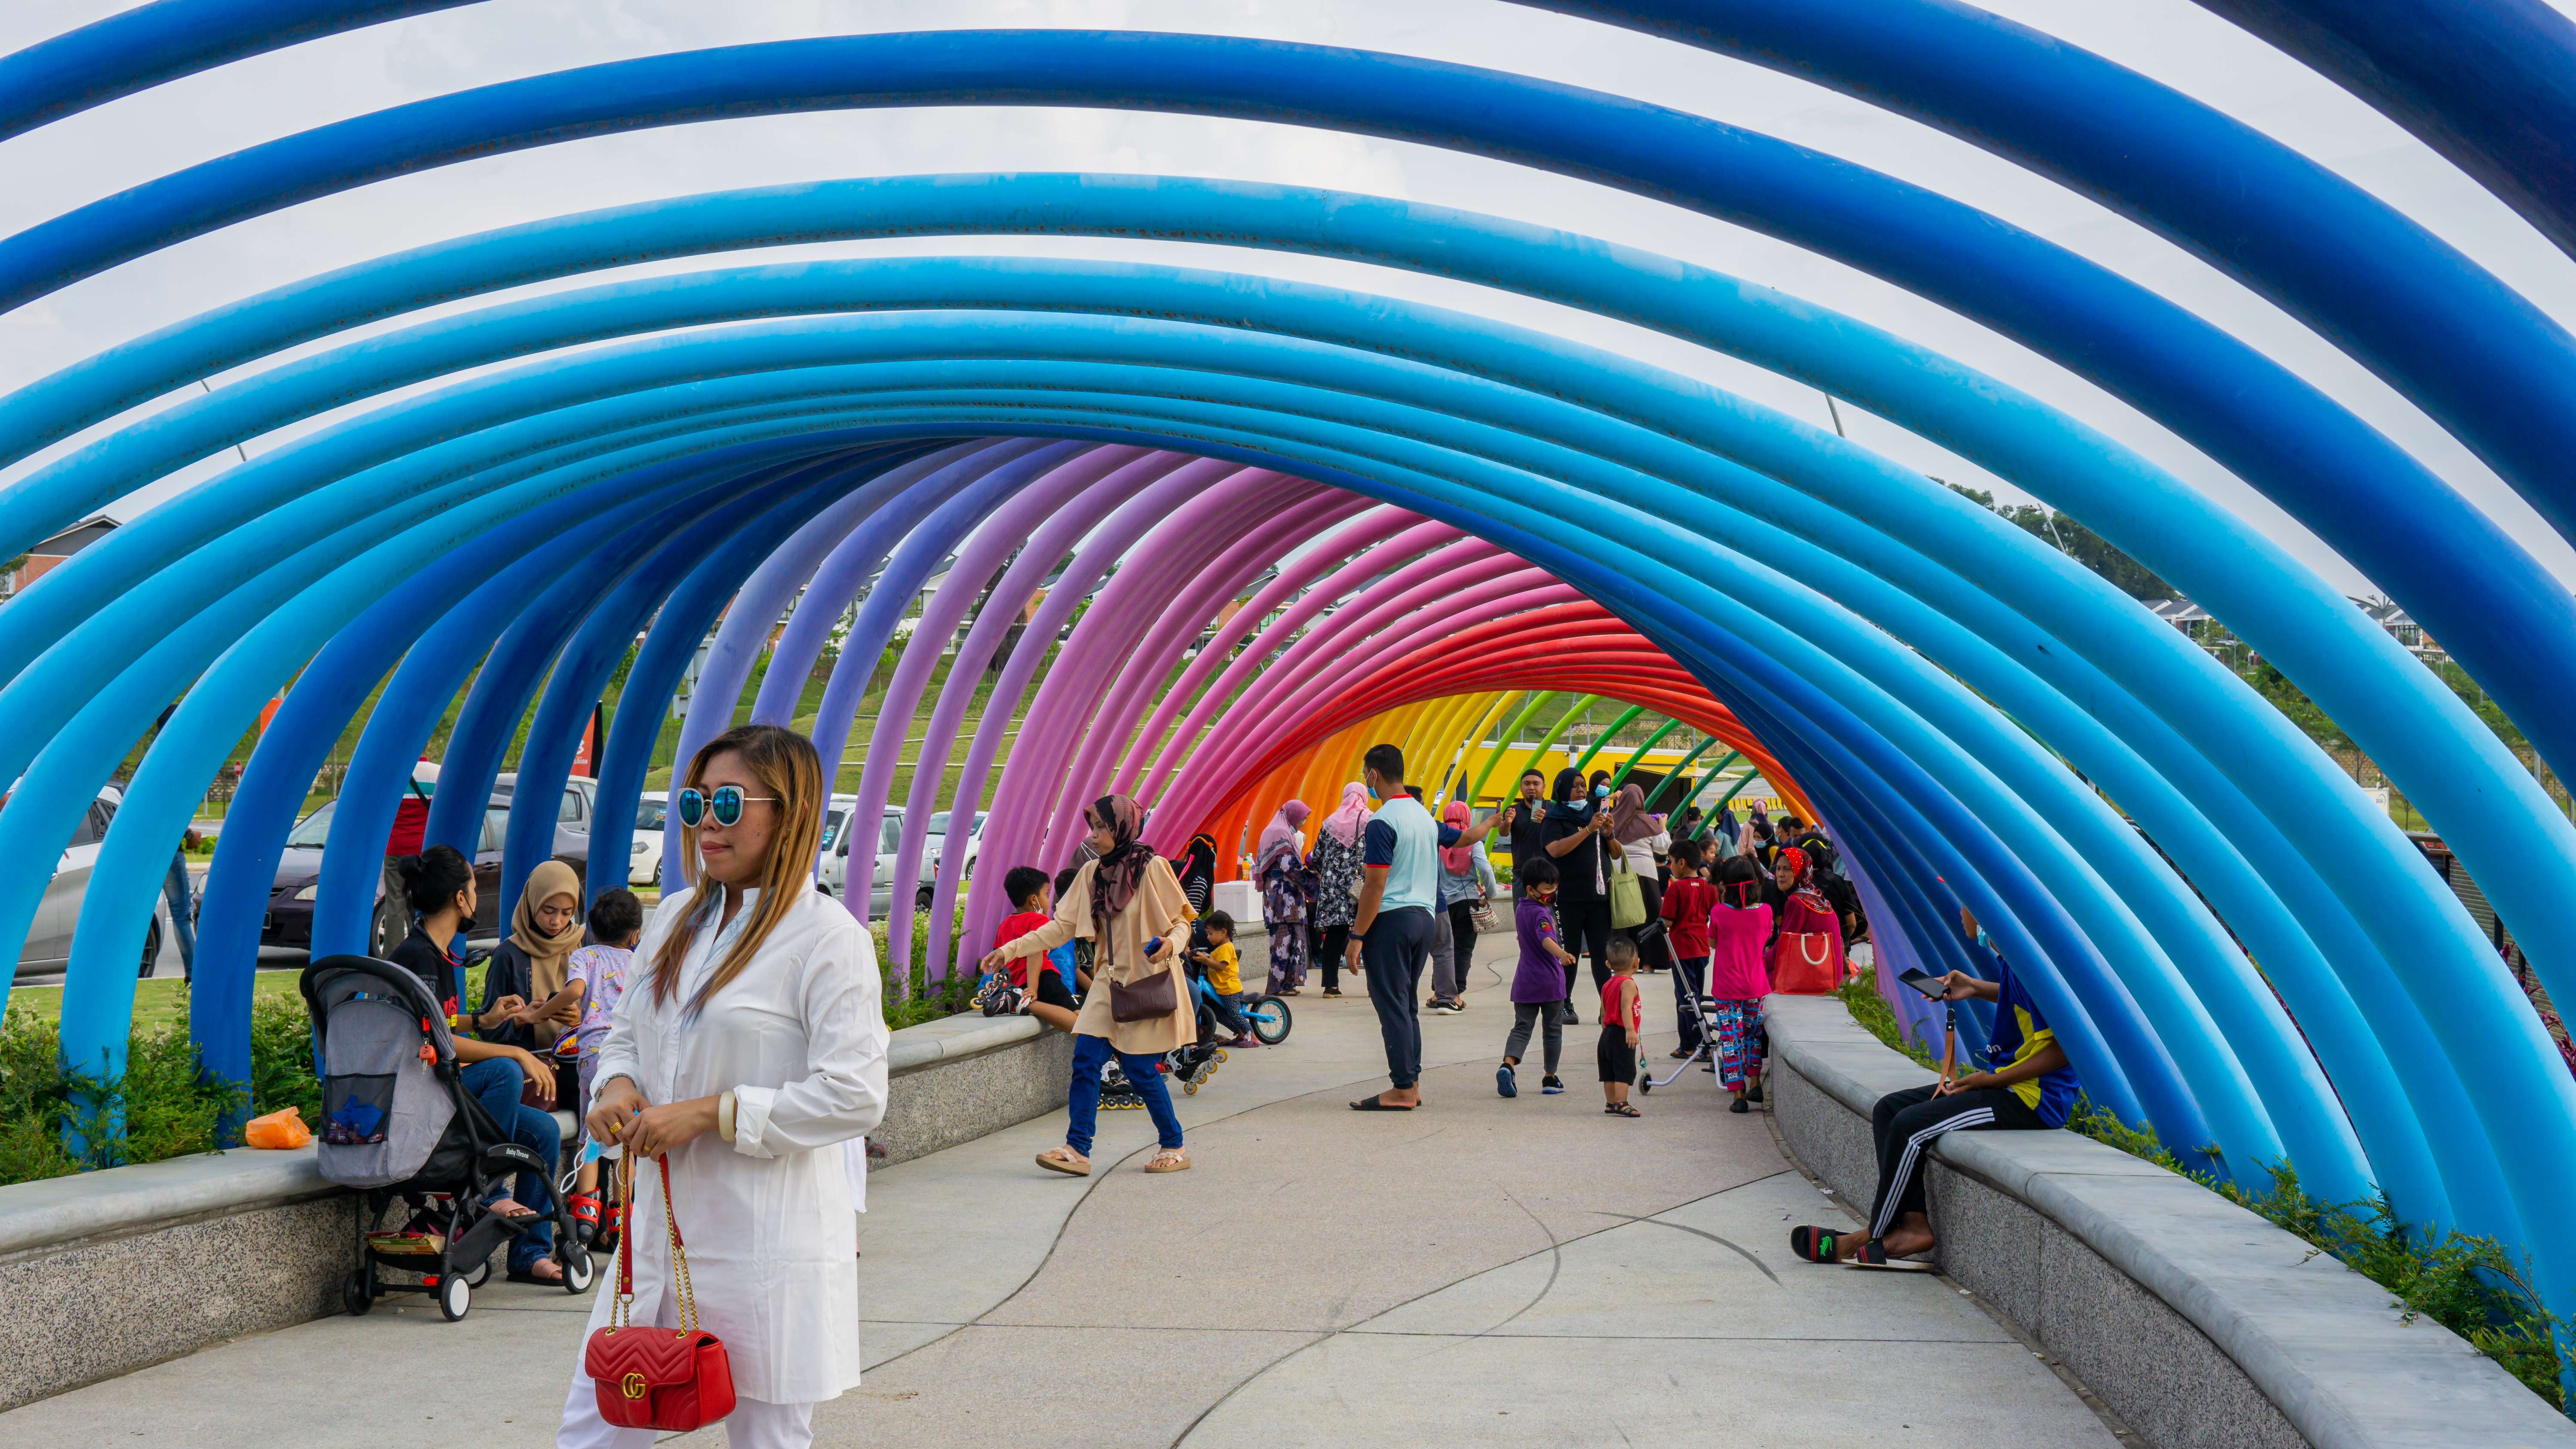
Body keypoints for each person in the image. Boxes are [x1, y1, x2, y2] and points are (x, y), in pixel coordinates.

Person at [568, 724, 890, 1448]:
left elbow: (857, 1093)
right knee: (596, 1427)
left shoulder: (826, 938)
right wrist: (615, 1088)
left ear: (791, 812)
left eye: (729, 802)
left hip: (763, 1244)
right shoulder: (679, 916)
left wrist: (714, 1114)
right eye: (694, 802)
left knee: (764, 1436)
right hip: (657, 1235)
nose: (706, 821)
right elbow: (626, 1033)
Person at [1792, 908, 2077, 1269]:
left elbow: (2063, 1050)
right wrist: (1975, 987)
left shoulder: (2027, 962)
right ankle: (1913, 1224)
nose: (1961, 912)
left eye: (1966, 903)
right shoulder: (2014, 957)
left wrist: (1992, 1080)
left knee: (1910, 1127)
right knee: (1889, 1109)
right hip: (2007, 1085)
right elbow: (2023, 999)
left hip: (2030, 1099)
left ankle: (1867, 1235)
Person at [983, 795, 1197, 1176]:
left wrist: (1172, 944)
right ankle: (1077, 1149)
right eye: (1093, 827)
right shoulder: (1092, 874)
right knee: (1085, 1060)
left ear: (1122, 828)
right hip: (1107, 984)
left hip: (1147, 983)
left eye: (1102, 827)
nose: (1094, 835)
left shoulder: (1154, 868)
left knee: (1139, 1069)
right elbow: (1060, 928)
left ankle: (1174, 1143)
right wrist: (1008, 949)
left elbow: (1182, 922)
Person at [385, 846, 566, 1285]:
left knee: (544, 1131)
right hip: (425, 1101)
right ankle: (489, 1190)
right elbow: (432, 1039)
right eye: (471, 885)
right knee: (504, 1070)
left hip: (444, 1093)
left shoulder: (437, 953)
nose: (475, 892)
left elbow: (439, 1020)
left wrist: (484, 1020)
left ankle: (529, 1253)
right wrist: (516, 1051)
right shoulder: (418, 957)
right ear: (459, 899)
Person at [1348, 746, 1445, 1111]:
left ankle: (1402, 1088)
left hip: (1392, 920)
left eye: (1365, 773)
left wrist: (1357, 936)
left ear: (1374, 774)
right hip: (1424, 918)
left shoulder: (1382, 820)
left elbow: (1375, 884)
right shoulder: (1424, 816)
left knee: (1391, 1006)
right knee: (1407, 1005)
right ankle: (1412, 1082)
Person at [561, 887, 643, 1243]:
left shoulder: (585, 956)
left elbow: (575, 992)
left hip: (594, 1054)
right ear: (635, 934)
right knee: (627, 1137)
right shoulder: (642, 962)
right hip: (631, 1058)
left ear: (592, 929)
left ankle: (585, 1219)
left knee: (590, 1133)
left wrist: (542, 1011)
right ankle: (620, 1218)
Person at [477, 858, 587, 1053]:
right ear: (532, 902)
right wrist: (521, 1020)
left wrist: (580, 1018)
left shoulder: (584, 944)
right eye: (549, 911)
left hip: (578, 1062)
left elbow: (610, 1010)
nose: (557, 921)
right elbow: (487, 1029)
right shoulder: (508, 954)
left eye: (566, 913)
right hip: (529, 1066)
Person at [1538, 767, 1618, 1022]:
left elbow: (1615, 853)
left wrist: (1609, 833)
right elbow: (1556, 850)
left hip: (1599, 898)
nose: (1581, 790)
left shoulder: (1596, 815)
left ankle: (1607, 1007)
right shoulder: (1555, 818)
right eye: (1574, 786)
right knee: (1569, 952)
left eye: (1583, 785)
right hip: (1568, 898)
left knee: (1601, 954)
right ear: (1562, 788)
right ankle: (1564, 1004)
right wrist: (1587, 830)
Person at [1496, 855, 1573, 1098]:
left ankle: (1508, 1065)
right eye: (1548, 888)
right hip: (1549, 981)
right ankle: (1550, 1077)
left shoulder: (1521, 909)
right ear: (1531, 889)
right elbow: (1546, 939)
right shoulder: (1542, 913)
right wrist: (1562, 954)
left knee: (1521, 1028)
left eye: (1555, 887)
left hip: (1525, 982)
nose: (1553, 892)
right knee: (1552, 1031)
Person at [1707, 855, 1774, 1113]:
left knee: (1731, 1039)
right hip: (1756, 985)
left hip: (1726, 988)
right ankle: (1755, 1081)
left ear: (1726, 885)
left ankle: (1738, 1095)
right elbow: (1766, 939)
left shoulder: (1719, 913)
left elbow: (1713, 943)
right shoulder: (1766, 911)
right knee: (1753, 1036)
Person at [995, 865, 1081, 1032]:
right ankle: (1019, 1001)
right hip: (1042, 978)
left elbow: (1001, 962)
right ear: (1034, 900)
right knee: (1081, 1023)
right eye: (1046, 894)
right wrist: (1033, 989)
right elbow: (1035, 950)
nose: (1049, 900)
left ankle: (1017, 998)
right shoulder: (1038, 920)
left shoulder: (1005, 925)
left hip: (1018, 983)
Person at [1435, 797, 1498, 1008]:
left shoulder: (1438, 841)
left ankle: (1438, 994)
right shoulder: (1473, 842)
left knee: (1443, 950)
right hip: (1468, 902)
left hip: (1441, 904)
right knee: (1463, 950)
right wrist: (1490, 893)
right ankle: (1455, 996)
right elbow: (1486, 870)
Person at [1309, 782, 1369, 997]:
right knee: (1368, 933)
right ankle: (1374, 987)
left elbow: (1316, 856)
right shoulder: (1371, 820)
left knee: (1334, 937)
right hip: (1362, 886)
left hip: (1334, 890)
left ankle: (1330, 987)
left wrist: (1329, 873)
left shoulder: (1329, 823)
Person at [1659, 839, 1717, 1060]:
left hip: (1681, 951)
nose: (1670, 866)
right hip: (1701, 949)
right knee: (1696, 996)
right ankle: (1695, 1042)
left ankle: (1693, 1045)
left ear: (1681, 863)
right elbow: (1713, 913)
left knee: (1685, 1000)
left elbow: (1667, 922)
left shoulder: (1677, 889)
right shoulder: (1708, 887)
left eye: (1671, 861)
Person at [1605, 782, 1672, 975]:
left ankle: (1620, 962)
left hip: (1620, 875)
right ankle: (1649, 963)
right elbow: (1662, 848)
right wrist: (1663, 827)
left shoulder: (1613, 819)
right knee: (1649, 918)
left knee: (1623, 919)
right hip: (1647, 876)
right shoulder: (1648, 821)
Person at [1255, 801, 1312, 995]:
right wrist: (1313, 880)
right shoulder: (1279, 833)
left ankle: (1287, 984)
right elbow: (1290, 867)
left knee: (1292, 939)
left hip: (1287, 899)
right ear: (1293, 815)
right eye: (1303, 818)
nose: (1304, 822)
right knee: (1282, 941)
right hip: (1283, 900)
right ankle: (1276, 986)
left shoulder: (1280, 831)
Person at [1189, 911, 1255, 1047]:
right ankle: (1240, 1033)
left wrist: (1206, 961)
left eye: (1211, 933)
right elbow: (1211, 958)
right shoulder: (1218, 949)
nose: (1208, 937)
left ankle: (1253, 1037)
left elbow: (1220, 966)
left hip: (1230, 990)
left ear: (1223, 932)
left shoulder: (1226, 947)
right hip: (1222, 990)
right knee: (1218, 1014)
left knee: (1234, 1013)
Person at [1598, 936, 1643, 1118]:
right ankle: (1622, 1103)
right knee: (1624, 1070)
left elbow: (1603, 1011)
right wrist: (1630, 1030)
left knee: (1608, 1071)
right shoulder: (1628, 984)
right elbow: (1626, 1007)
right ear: (1636, 963)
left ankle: (1610, 1103)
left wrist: (1605, 1032)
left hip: (1607, 1034)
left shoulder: (1607, 984)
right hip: (1622, 1033)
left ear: (1608, 965)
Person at [1494, 768, 1550, 878]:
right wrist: (1508, 822)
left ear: (1544, 787)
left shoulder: (1553, 810)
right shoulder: (1513, 810)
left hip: (1548, 874)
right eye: (1527, 784)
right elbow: (1503, 833)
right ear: (1521, 787)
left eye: (1536, 784)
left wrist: (1547, 822)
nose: (1531, 787)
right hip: (1521, 874)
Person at [1173, 831, 1219, 918]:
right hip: (1178, 928)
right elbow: (1190, 920)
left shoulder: (1173, 867)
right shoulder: (1199, 881)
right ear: (1211, 857)